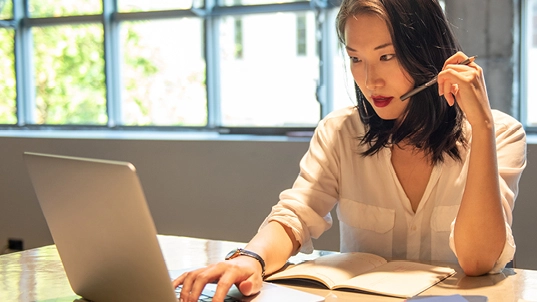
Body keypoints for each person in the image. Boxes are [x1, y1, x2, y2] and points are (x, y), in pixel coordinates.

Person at [173, 0, 527, 301]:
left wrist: (481, 128)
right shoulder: (340, 131)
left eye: (386, 56)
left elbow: (479, 261)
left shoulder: (500, 134)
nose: (370, 80)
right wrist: (250, 258)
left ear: (427, 52)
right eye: (356, 58)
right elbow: (295, 214)